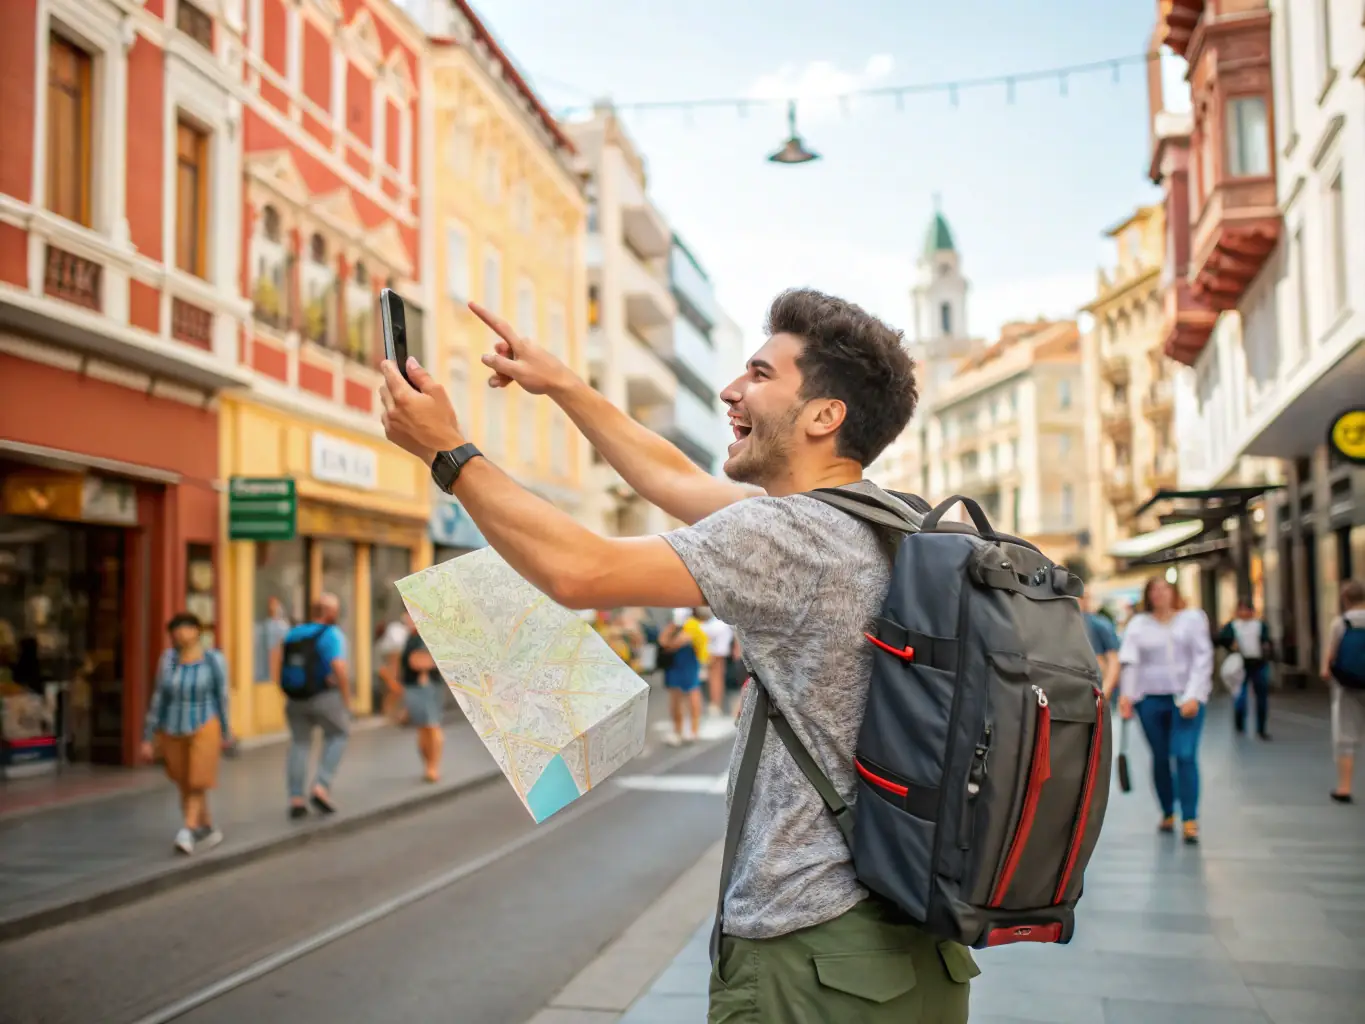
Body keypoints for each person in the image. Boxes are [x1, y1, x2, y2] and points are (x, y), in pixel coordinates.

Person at [379, 287, 975, 1022]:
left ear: (824, 416)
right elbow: (672, 479)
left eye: (760, 374)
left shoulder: (787, 537)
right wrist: (563, 384)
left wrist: (447, 452)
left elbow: (579, 571)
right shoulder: (887, 520)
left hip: (814, 956)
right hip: (913, 946)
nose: (730, 389)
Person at [1117, 576, 1214, 845]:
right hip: (1150, 700)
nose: (1159, 594)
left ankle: (1190, 818)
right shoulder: (1138, 624)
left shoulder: (1192, 619)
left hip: (1186, 699)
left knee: (1184, 754)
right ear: (1148, 595)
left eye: (1164, 589)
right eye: (1154, 590)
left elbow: (1203, 659)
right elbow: (1130, 662)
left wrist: (1194, 695)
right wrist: (1126, 696)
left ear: (1174, 592)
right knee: (1160, 757)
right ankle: (1168, 811)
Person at [140, 612, 232, 855]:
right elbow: (159, 698)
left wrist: (226, 731)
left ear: (197, 631)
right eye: (176, 629)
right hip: (173, 726)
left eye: (187, 628)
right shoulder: (168, 660)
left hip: (205, 722)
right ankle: (207, 827)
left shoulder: (213, 659)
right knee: (184, 780)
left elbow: (222, 696)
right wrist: (148, 736)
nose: (181, 633)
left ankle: (187, 830)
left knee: (198, 778)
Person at [280, 594, 351, 818]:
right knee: (339, 734)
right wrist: (346, 699)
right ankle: (321, 786)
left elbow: (277, 662)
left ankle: (296, 799)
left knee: (299, 743)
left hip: (295, 697)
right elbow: (339, 667)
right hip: (324, 696)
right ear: (331, 613)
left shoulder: (293, 633)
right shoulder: (332, 634)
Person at [1322, 579, 1365, 804]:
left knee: (1346, 737)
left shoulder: (1340, 623)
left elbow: (1329, 660)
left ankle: (1344, 787)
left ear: (1345, 599)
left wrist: (1330, 674)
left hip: (1348, 687)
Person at [1217, 600, 1274, 739]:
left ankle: (1261, 728)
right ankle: (1239, 724)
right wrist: (1231, 645)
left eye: (1246, 610)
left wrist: (1266, 649)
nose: (1244, 613)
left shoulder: (1259, 625)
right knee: (1240, 695)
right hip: (1241, 664)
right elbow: (1221, 639)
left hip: (1258, 662)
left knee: (1261, 696)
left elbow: (1267, 641)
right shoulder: (1233, 625)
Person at [400, 623, 443, 782]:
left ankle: (433, 766)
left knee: (431, 726)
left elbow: (419, 661)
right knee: (423, 728)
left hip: (426, 686)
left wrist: (423, 672)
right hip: (414, 686)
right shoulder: (411, 637)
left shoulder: (425, 635)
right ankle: (428, 765)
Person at [659, 608, 704, 745]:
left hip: (688, 666)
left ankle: (694, 730)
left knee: (692, 695)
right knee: (675, 698)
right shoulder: (673, 628)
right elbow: (662, 641)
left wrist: (670, 640)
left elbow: (672, 644)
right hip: (675, 667)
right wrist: (671, 629)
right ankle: (677, 730)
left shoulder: (692, 627)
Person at [374, 613, 411, 723]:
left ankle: (390, 714)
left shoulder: (392, 635)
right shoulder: (395, 633)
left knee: (393, 692)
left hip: (388, 671)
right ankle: (391, 714)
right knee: (395, 691)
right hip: (388, 671)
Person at [699, 607, 736, 717]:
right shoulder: (719, 624)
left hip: (715, 645)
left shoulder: (717, 625)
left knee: (716, 677)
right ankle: (715, 704)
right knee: (716, 676)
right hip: (716, 641)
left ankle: (715, 704)